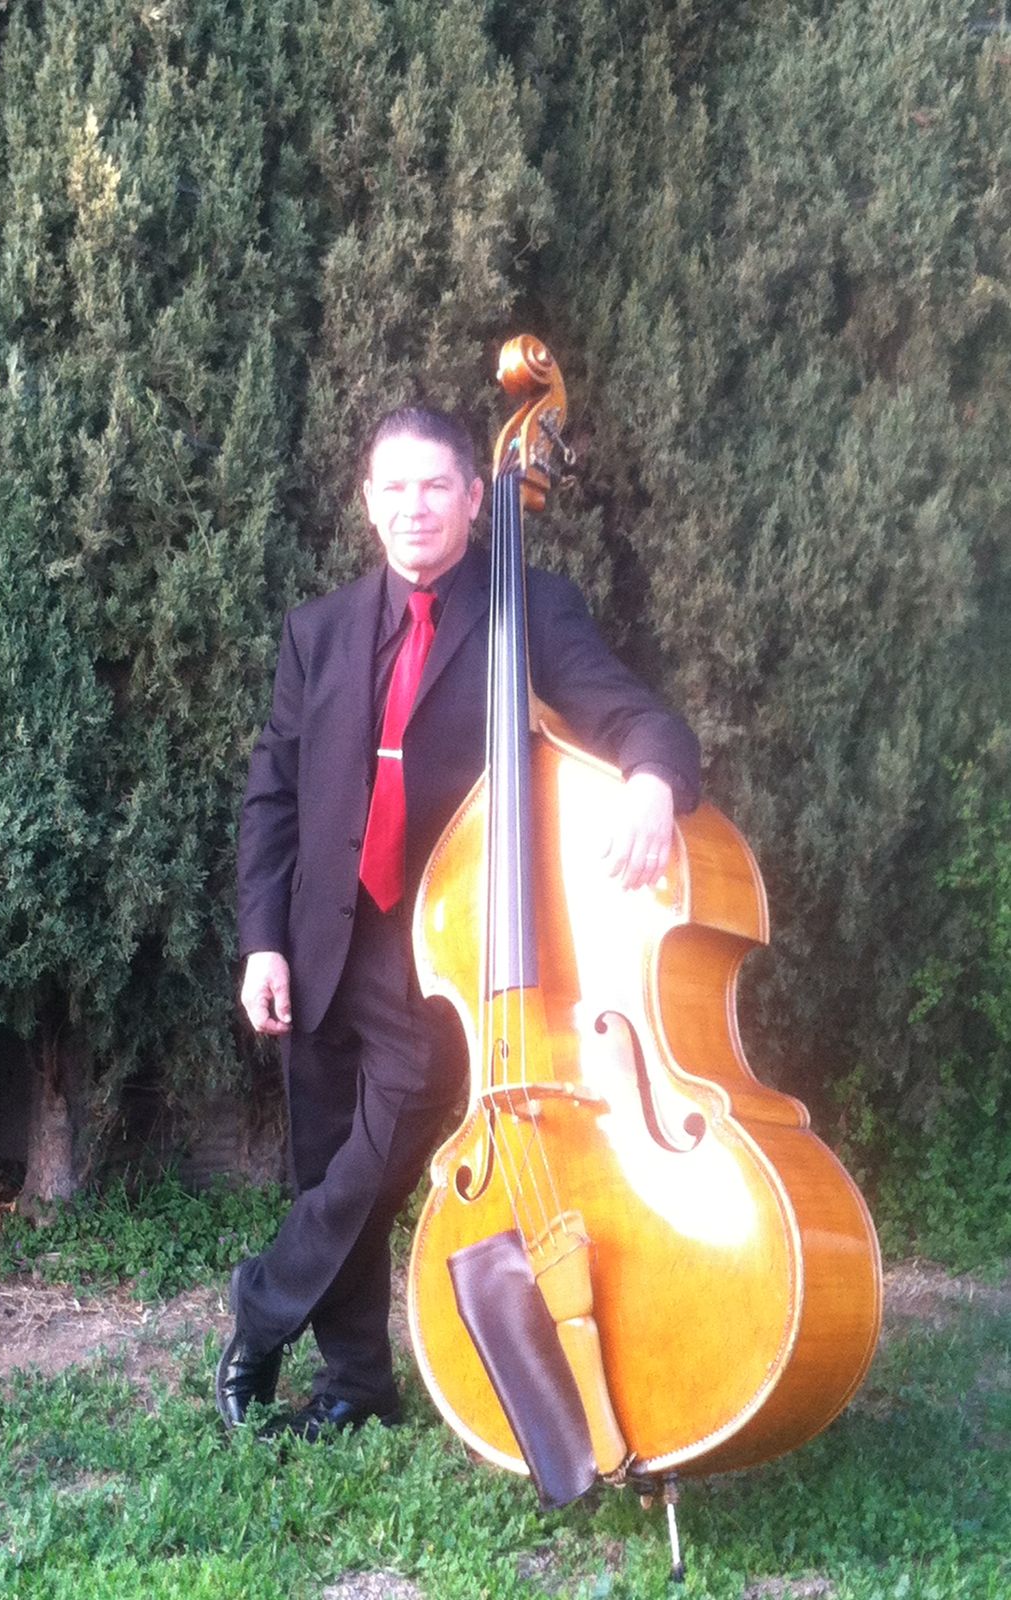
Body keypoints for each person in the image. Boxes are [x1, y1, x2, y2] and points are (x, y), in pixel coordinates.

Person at [220, 405, 700, 1440]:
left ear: (475, 498)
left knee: (370, 1167)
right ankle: (355, 1382)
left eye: (435, 485)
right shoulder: (319, 630)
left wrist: (653, 779)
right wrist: (262, 939)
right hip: (318, 941)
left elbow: (633, 713)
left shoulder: (529, 606)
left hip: (442, 951)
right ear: (367, 502)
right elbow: (274, 795)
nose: (414, 507)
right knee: (326, 1165)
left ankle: (259, 1308)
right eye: (393, 488)